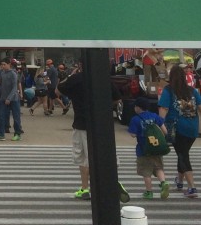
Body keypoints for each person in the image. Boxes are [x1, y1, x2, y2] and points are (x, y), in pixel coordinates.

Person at [56, 64, 130, 202]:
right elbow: (117, 99)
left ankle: (85, 188)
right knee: (105, 153)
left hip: (82, 123)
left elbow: (57, 91)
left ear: (80, 66)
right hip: (102, 124)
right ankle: (113, 181)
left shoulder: (75, 79)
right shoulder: (103, 79)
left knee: (84, 157)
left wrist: (70, 75)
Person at [157, 64, 201, 198]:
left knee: (182, 155)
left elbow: (163, 109)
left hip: (176, 128)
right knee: (183, 152)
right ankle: (180, 181)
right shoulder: (192, 91)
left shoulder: (168, 90)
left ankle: (192, 187)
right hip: (192, 128)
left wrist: (159, 125)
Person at [128, 97, 170, 199]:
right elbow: (165, 131)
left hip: (143, 150)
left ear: (138, 108)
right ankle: (163, 183)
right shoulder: (155, 116)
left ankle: (149, 192)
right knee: (158, 168)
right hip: (157, 148)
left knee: (146, 172)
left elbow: (133, 134)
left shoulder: (135, 119)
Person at [0, 59, 23, 141]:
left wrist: (9, 98)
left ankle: (17, 134)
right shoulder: (2, 73)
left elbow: (15, 87)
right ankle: (1, 134)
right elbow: (2, 87)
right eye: (2, 65)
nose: (3, 66)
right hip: (3, 98)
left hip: (14, 99)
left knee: (16, 117)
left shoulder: (13, 74)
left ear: (9, 64)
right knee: (1, 116)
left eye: (4, 64)